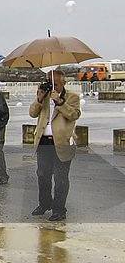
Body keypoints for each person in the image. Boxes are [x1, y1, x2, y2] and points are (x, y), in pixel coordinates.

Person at [29, 69, 81, 222]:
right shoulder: (44, 96)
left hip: (62, 142)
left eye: (56, 83)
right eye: (51, 82)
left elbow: (74, 115)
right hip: (44, 142)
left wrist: (59, 101)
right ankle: (44, 204)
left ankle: (59, 210)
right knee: (43, 176)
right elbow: (32, 113)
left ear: (63, 82)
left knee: (61, 178)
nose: (53, 85)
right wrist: (39, 99)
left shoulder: (72, 97)